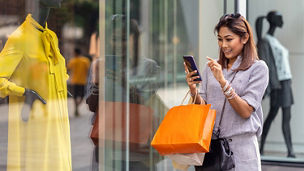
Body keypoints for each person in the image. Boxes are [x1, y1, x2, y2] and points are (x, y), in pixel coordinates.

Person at [184, 13, 269, 170]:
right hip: (213, 150)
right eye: (220, 39)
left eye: (229, 39)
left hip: (242, 153)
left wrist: (223, 82)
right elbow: (203, 109)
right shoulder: (212, 68)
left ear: (244, 38)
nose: (223, 45)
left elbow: (245, 111)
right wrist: (193, 89)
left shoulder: (258, 68)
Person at [0, 0, 72, 170]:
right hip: (35, 125)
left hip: (58, 120)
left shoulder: (50, 36)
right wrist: (24, 92)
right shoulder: (20, 37)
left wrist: (60, 86)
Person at [86, 15, 160, 171]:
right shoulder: (99, 65)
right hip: (107, 147)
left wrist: (124, 82)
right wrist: (97, 84)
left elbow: (148, 104)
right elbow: (93, 107)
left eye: (124, 39)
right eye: (115, 39)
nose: (120, 44)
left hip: (138, 150)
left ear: (135, 39)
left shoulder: (149, 66)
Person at [256, 11, 295, 158]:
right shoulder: (266, 41)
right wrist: (272, 85)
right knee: (276, 115)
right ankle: (289, 151)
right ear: (274, 21)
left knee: (280, 115)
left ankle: (287, 151)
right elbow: (268, 65)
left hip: (286, 82)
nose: (282, 20)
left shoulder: (273, 40)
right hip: (279, 84)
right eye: (280, 17)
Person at [67, 48, 91, 117]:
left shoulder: (72, 61)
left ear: (75, 53)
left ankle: (76, 108)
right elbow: (89, 70)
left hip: (74, 81)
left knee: (75, 96)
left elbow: (67, 69)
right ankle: (77, 107)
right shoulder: (85, 61)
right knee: (82, 95)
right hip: (83, 81)